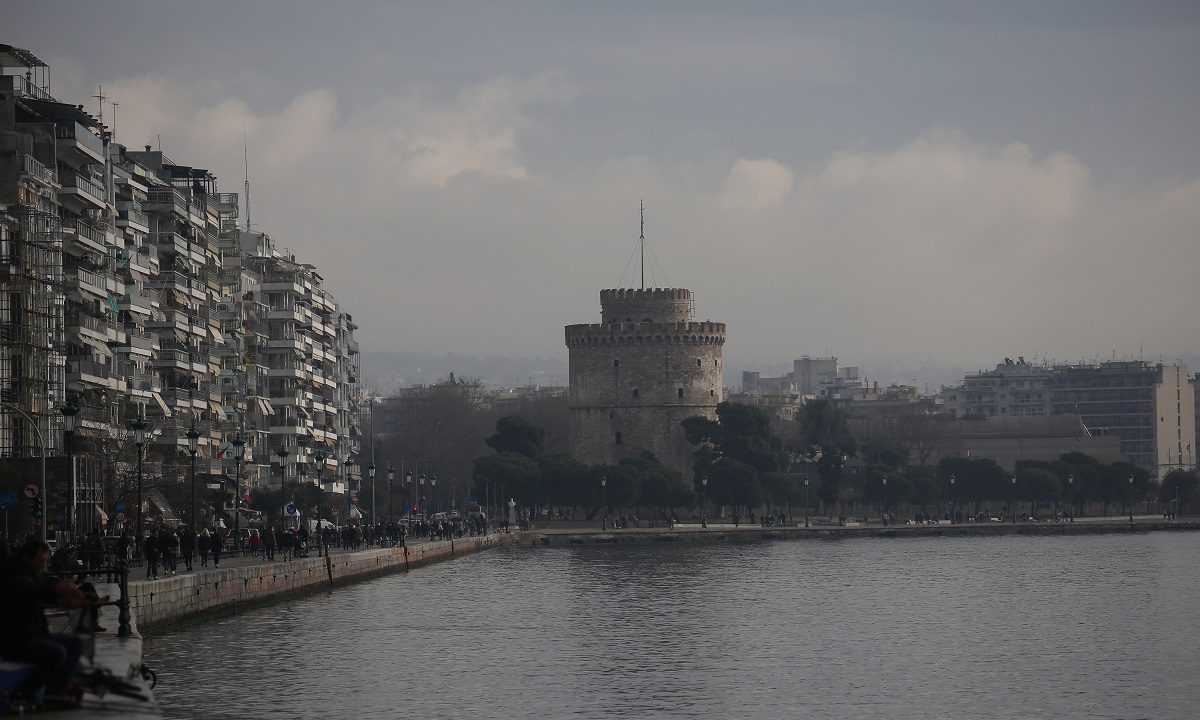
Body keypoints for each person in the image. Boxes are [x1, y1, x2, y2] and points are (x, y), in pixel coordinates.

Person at [0, 538, 85, 708]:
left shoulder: (32, 575)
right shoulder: (13, 575)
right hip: (14, 640)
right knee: (56, 652)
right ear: (26, 558)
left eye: (45, 562)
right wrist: (56, 590)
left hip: (32, 635)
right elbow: (29, 590)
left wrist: (62, 598)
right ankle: (23, 693)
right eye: (40, 561)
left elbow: (43, 589)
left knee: (75, 643)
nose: (43, 566)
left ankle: (55, 695)